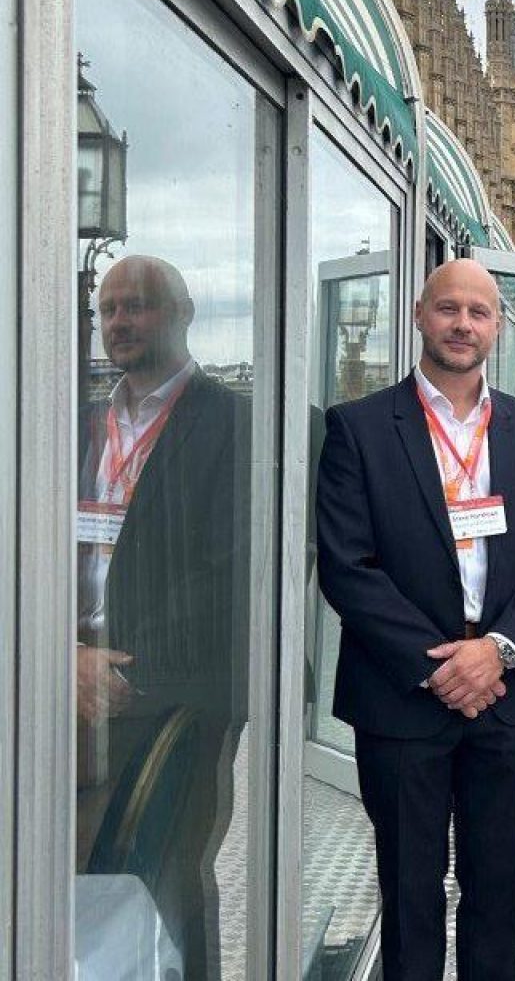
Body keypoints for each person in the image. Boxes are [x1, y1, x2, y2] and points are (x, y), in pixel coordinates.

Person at [316, 258, 515, 981]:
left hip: (505, 693)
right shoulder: (360, 428)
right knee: (409, 893)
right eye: (448, 309)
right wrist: (443, 667)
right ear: (419, 315)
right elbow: (347, 567)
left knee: (499, 894)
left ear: (496, 326)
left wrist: (497, 649)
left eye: (478, 312)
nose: (463, 324)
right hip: (403, 698)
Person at [75, 255, 249, 979]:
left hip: (175, 689)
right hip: (73, 673)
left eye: (137, 307)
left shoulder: (232, 419)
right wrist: (65, 651)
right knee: (75, 867)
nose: (119, 322)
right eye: (109, 309)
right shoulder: (79, 421)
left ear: (180, 316)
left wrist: (119, 664)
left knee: (169, 872)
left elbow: (226, 567)